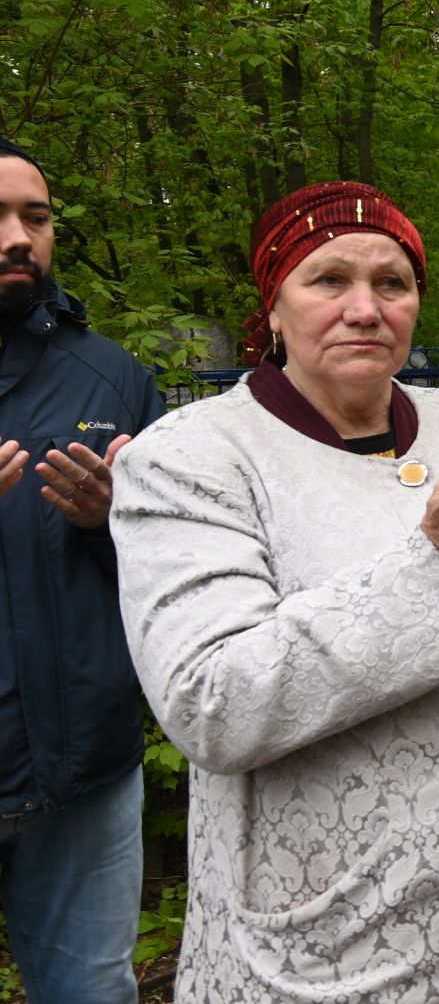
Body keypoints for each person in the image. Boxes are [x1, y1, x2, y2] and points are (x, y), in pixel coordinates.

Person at [111, 182, 439, 1003]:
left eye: (392, 283)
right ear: (274, 305)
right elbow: (212, 699)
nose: (365, 308)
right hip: (342, 943)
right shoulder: (193, 458)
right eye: (329, 280)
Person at [0, 138, 166, 1004]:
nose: (18, 236)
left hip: (85, 772)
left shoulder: (113, 376)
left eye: (35, 215)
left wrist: (115, 522)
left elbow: (179, 560)